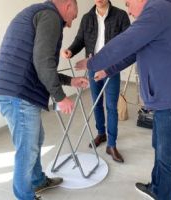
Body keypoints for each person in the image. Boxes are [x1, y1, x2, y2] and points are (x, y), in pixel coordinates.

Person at [75, 0, 171, 199]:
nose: (128, 10)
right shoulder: (160, 11)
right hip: (170, 95)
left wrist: (92, 62)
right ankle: (157, 188)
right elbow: (134, 51)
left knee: (167, 155)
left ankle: (163, 195)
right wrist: (107, 69)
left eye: (128, 4)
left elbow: (125, 42)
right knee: (160, 147)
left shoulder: (157, 9)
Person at [0, 0, 88, 200]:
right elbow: (43, 61)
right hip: (18, 93)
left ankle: (37, 181)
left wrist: (70, 80)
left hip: (11, 90)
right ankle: (25, 196)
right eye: (74, 17)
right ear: (68, 5)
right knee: (27, 149)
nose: (70, 24)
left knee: (36, 139)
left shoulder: (40, 13)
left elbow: (41, 65)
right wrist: (60, 97)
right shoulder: (50, 15)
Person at [61, 0, 130, 163]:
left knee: (112, 107)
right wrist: (70, 50)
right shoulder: (87, 18)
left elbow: (128, 43)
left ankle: (111, 145)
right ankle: (101, 133)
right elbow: (79, 40)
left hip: (111, 68)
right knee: (96, 103)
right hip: (93, 66)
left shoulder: (120, 15)